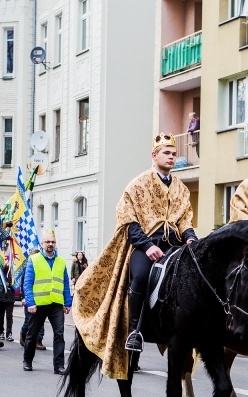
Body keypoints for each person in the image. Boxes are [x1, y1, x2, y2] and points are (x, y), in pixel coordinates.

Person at [73, 132, 197, 380]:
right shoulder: (138, 184)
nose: (171, 157)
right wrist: (146, 245)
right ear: (154, 155)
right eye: (166, 153)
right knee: (139, 276)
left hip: (173, 245)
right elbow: (128, 220)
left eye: (174, 154)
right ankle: (134, 330)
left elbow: (185, 219)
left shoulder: (181, 188)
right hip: (144, 246)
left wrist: (192, 237)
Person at [22, 229, 72, 373]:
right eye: (47, 242)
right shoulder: (34, 259)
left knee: (59, 334)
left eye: (53, 242)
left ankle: (59, 366)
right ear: (42, 243)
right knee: (32, 334)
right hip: (38, 304)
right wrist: (30, 303)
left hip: (56, 303)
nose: (50, 244)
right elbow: (28, 283)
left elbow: (65, 282)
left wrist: (68, 302)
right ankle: (27, 361)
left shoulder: (61, 261)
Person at [19, 249, 46, 350]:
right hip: (29, 299)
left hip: (40, 298)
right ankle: (23, 334)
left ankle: (38, 340)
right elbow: (24, 284)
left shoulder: (42, 267)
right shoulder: (27, 268)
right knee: (28, 320)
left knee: (41, 320)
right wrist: (23, 297)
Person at [0, 262, 16, 342]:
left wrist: (10, 284)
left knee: (9, 317)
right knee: (0, 317)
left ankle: (9, 333)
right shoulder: (0, 275)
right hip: (1, 298)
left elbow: (16, 287)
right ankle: (1, 332)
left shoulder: (13, 275)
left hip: (10, 299)